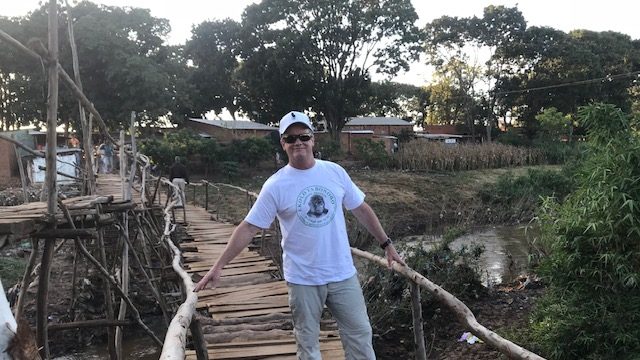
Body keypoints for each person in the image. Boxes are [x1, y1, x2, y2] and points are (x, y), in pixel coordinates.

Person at [194, 111, 405, 359]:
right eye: (291, 138)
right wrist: (219, 265)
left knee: (360, 334)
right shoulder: (275, 185)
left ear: (313, 139)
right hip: (303, 279)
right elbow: (249, 227)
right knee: (307, 343)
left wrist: (387, 244)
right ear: (283, 143)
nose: (298, 143)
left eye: (303, 136)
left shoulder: (335, 172)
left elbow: (361, 209)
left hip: (342, 274)